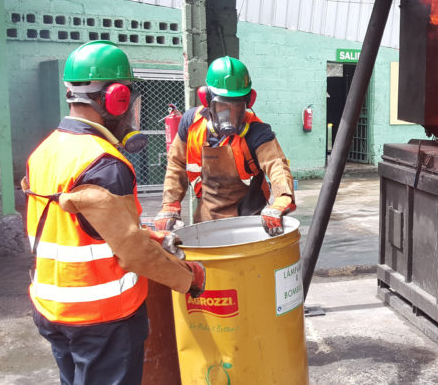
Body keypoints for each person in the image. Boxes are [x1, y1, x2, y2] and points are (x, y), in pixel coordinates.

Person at [22, 41, 206, 384]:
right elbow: (133, 254)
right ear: (116, 98)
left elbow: (83, 226)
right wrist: (187, 277)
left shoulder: (44, 152)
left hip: (51, 307)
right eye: (130, 101)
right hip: (102, 318)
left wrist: (151, 234)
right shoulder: (105, 163)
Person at [155, 56, 295, 235]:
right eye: (223, 106)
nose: (230, 115)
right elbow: (176, 164)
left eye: (237, 107)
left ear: (248, 102)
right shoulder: (191, 124)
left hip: (250, 220)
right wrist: (170, 205)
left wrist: (282, 201)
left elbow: (277, 165)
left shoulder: (257, 132)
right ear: (207, 99)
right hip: (207, 218)